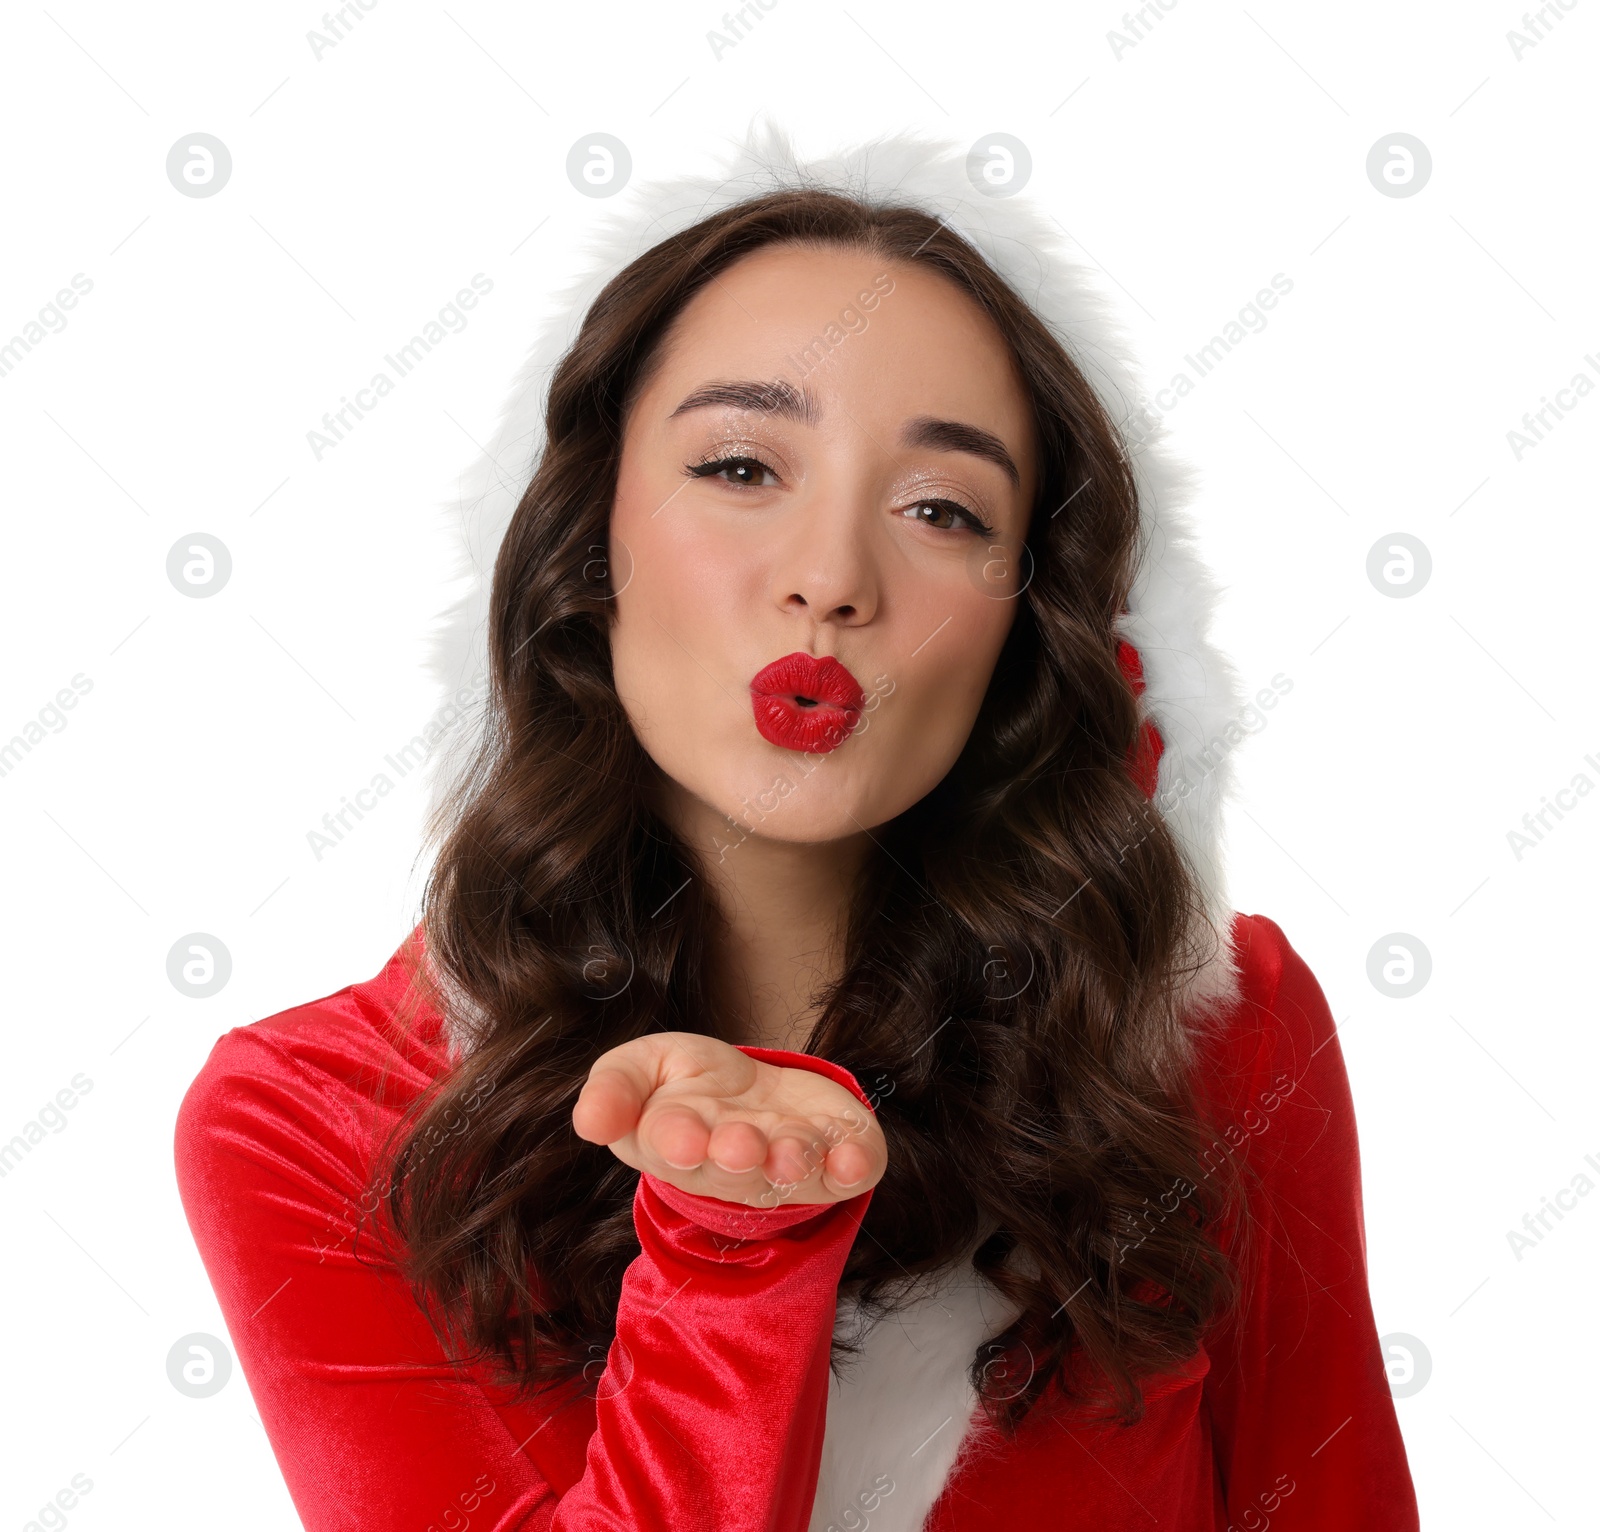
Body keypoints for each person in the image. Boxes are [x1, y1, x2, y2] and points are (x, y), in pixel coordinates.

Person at [174, 126, 1420, 1531]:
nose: (830, 578)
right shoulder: (311, 1123)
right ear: (591, 550)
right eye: (742, 469)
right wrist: (731, 1248)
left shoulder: (1211, 1033)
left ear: (1028, 626)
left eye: (942, 508)